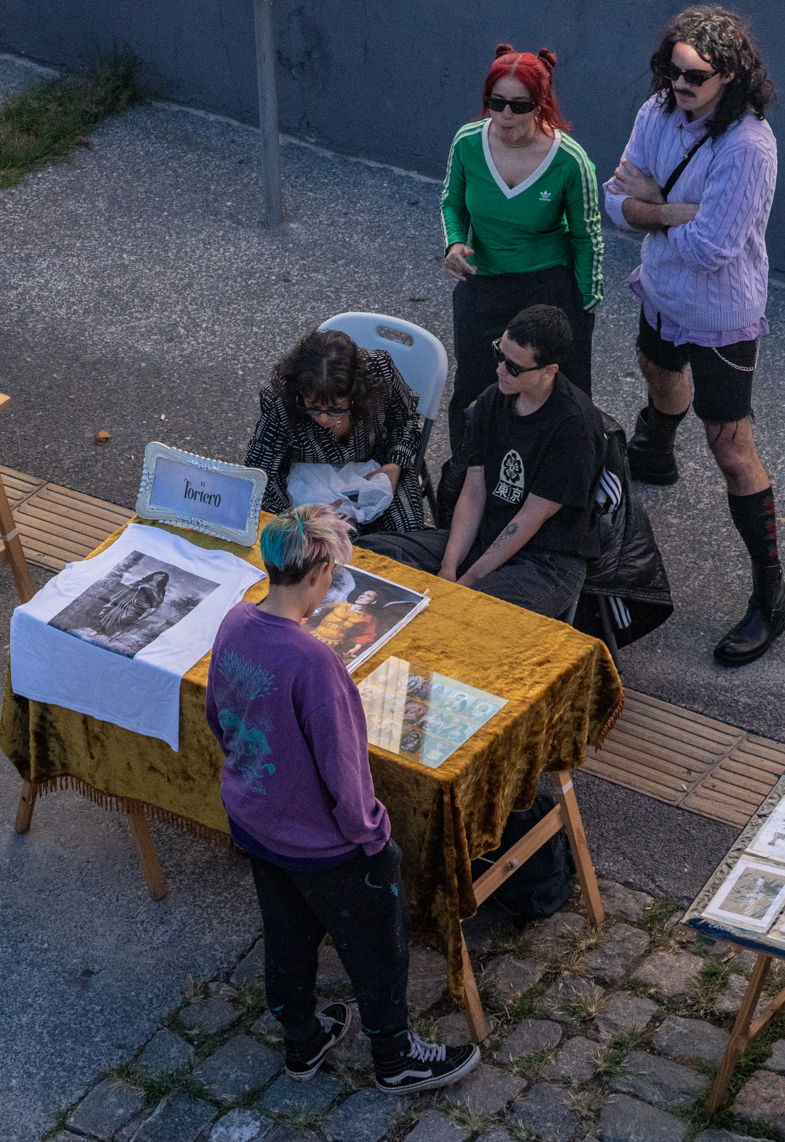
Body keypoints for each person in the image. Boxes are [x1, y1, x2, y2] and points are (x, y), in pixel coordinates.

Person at [205, 504, 483, 1095]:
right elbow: (345, 769)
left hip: (257, 822)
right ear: (320, 572)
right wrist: (372, 836)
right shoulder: (314, 662)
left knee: (286, 936)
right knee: (379, 946)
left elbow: (218, 714)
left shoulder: (235, 621)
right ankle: (395, 1056)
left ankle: (302, 1041)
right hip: (323, 844)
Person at [601, 5, 784, 667]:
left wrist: (655, 204)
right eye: (672, 70)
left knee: (730, 449)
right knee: (656, 370)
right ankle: (655, 448)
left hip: (720, 315)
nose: (679, 84)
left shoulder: (749, 147)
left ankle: (770, 598)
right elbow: (613, 201)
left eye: (695, 76)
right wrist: (673, 209)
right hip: (660, 291)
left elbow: (714, 249)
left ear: (729, 75)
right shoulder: (656, 112)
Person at [439, 45, 602, 453]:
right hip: (484, 278)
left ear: (540, 104)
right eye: (496, 103)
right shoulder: (467, 143)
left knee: (559, 391)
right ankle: (467, 472)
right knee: (474, 388)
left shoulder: (570, 160)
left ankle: (566, 470)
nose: (505, 115)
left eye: (519, 105)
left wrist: (585, 305)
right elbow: (452, 203)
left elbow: (587, 236)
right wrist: (455, 243)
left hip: (547, 283)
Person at [439, 304, 605, 622]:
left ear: (549, 371)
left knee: (465, 617)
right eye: (499, 354)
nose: (500, 371)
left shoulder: (574, 426)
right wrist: (448, 568)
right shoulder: (492, 399)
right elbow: (474, 492)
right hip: (487, 537)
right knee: (382, 555)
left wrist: (468, 580)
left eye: (514, 367)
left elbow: (533, 516)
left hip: (547, 560)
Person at [243, 329, 451, 573]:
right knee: (322, 557)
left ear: (356, 394)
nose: (323, 419)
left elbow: (406, 422)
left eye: (336, 408)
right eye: (312, 407)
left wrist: (395, 464)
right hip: (308, 486)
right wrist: (297, 515)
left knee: (407, 545)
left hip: (378, 469)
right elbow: (261, 470)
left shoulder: (381, 373)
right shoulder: (279, 397)